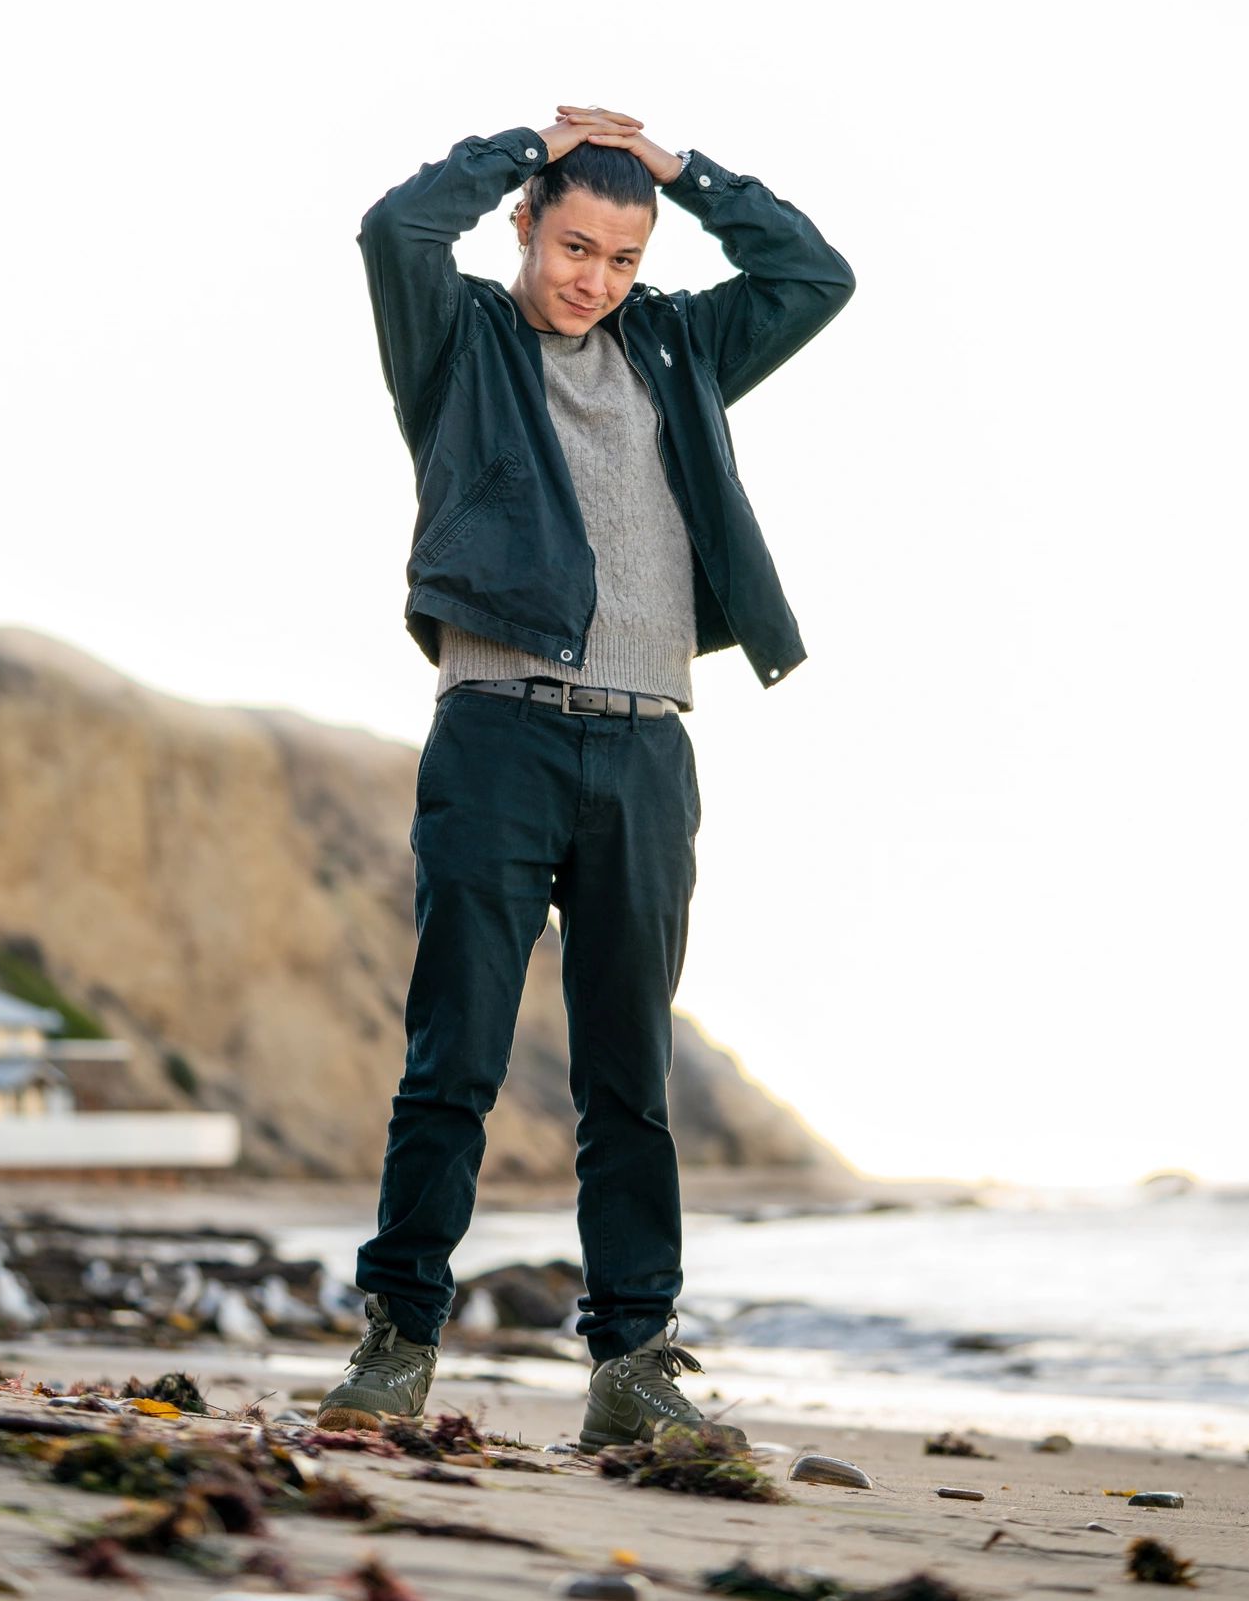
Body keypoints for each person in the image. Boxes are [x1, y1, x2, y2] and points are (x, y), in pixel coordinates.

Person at [317, 103, 855, 1449]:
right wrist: (520, 144)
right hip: (497, 729)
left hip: (646, 747)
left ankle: (632, 1362)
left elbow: (812, 277)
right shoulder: (459, 344)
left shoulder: (677, 347)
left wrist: (686, 171)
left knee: (630, 1078)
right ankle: (397, 1340)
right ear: (525, 228)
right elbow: (396, 227)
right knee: (457, 1059)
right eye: (573, 246)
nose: (593, 279)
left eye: (622, 256)